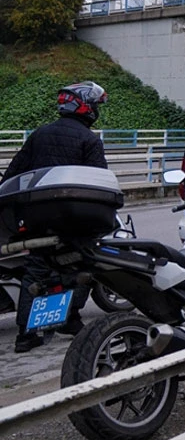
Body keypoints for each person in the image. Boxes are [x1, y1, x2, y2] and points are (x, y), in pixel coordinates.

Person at [2, 82, 109, 352]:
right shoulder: (89, 140)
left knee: (35, 273)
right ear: (86, 107)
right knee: (84, 267)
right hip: (74, 221)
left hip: (37, 222)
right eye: (95, 105)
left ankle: (26, 336)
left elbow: (13, 174)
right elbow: (100, 183)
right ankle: (70, 317)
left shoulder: (39, 134)